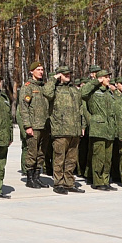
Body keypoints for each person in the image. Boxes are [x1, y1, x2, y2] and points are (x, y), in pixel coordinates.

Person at [44, 65, 84, 194]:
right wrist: (53, 79)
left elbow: (80, 109)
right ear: (59, 75)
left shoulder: (74, 90)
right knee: (59, 159)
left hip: (74, 130)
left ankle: (69, 183)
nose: (68, 76)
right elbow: (46, 93)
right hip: (60, 130)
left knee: (71, 160)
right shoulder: (54, 89)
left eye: (69, 74)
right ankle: (58, 183)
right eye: (65, 74)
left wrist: (82, 126)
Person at [16, 64, 50, 189]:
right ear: (32, 72)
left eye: (42, 70)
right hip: (34, 126)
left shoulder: (44, 87)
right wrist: (27, 126)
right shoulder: (28, 88)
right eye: (38, 70)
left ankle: (37, 177)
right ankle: (30, 178)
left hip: (44, 126)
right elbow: (23, 108)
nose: (41, 72)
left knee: (41, 153)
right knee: (32, 153)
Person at [81, 69, 116, 191]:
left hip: (109, 128)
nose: (108, 79)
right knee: (99, 157)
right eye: (106, 77)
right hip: (98, 128)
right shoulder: (93, 91)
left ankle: (105, 181)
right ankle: (98, 181)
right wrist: (95, 81)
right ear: (100, 78)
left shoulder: (109, 92)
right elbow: (82, 93)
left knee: (107, 158)